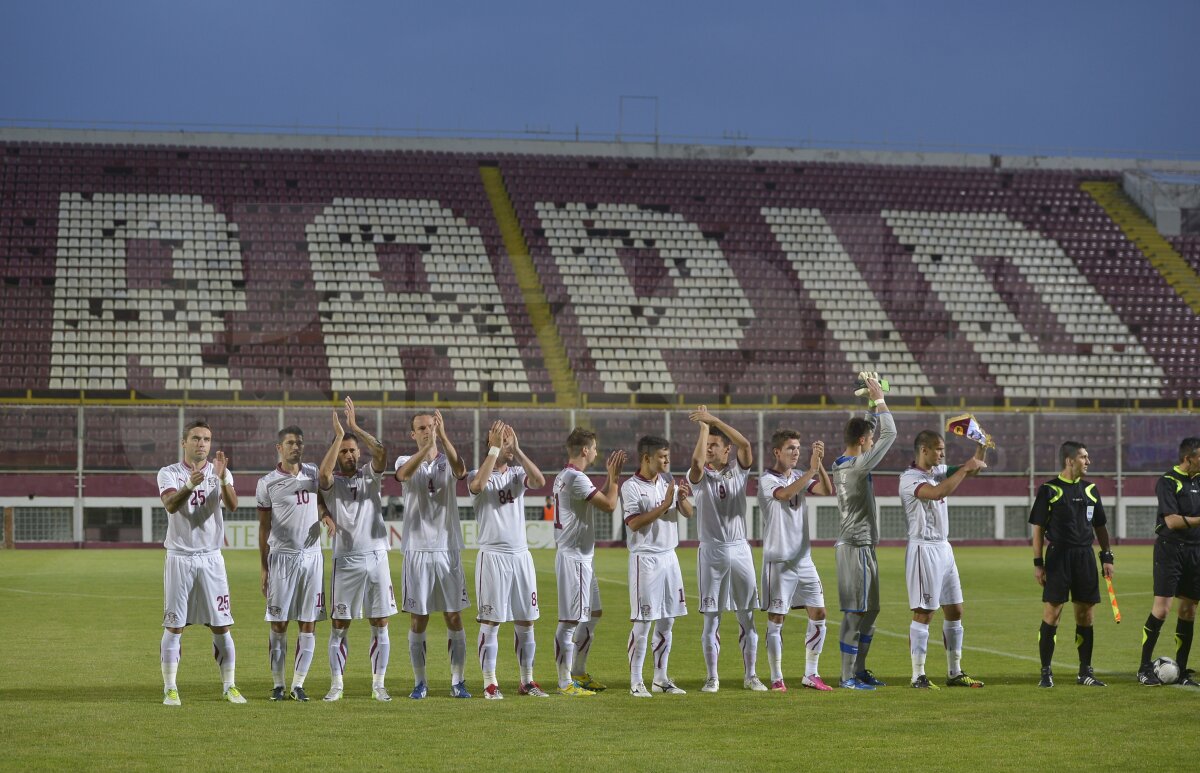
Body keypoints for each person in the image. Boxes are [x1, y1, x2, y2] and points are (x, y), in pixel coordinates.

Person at [156, 419, 245, 706]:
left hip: (211, 559)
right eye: (195, 438)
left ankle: (229, 686)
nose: (201, 444)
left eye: (206, 439)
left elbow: (233, 505)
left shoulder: (220, 471)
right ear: (184, 442)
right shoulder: (169, 473)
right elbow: (171, 505)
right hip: (180, 557)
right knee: (174, 626)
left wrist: (222, 479)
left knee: (221, 625)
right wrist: (189, 485)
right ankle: (170, 688)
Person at [318, 397, 395, 702]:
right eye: (344, 451)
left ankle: (379, 685)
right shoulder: (331, 483)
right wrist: (338, 436)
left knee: (380, 623)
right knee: (339, 625)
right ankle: (337, 685)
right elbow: (322, 476)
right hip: (346, 560)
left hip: (376, 557)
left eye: (352, 450)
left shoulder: (370, 476)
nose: (349, 455)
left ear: (359, 453)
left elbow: (382, 452)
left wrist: (354, 428)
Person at [898, 430, 987, 689]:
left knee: (955, 610)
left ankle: (954, 672)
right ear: (923, 450)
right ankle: (918, 675)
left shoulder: (938, 470)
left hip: (944, 548)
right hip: (923, 548)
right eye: (938, 449)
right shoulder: (909, 478)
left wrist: (981, 445)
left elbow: (973, 470)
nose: (942, 454)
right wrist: (965, 468)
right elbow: (937, 493)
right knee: (924, 612)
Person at [686, 406, 765, 693]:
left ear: (726, 450)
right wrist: (704, 428)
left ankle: (751, 675)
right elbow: (696, 463)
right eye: (706, 445)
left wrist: (715, 420)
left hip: (740, 549)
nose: (708, 449)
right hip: (712, 551)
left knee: (747, 616)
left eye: (714, 445)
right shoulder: (698, 476)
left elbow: (746, 445)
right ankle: (712, 677)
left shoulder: (738, 471)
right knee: (712, 618)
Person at [393, 409, 471, 699]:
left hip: (447, 549)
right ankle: (420, 682)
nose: (427, 431)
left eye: (431, 426)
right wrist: (425, 450)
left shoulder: (447, 460)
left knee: (454, 617)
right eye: (422, 428)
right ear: (413, 434)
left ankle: (457, 681)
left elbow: (461, 471)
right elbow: (402, 475)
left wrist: (444, 438)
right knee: (419, 619)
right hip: (417, 550)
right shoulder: (405, 460)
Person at [469, 420, 548, 699]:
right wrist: (495, 449)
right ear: (491, 444)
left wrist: (518, 449)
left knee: (526, 621)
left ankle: (527, 681)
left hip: (521, 556)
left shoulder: (517, 473)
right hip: (493, 556)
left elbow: (539, 481)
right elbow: (478, 485)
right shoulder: (478, 473)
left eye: (510, 440)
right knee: (491, 621)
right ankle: (490, 682)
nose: (509, 445)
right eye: (505, 441)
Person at [1030, 441, 1113, 688]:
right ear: (1070, 460)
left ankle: (1085, 672)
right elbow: (1038, 529)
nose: (1088, 461)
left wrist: (1107, 556)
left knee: (1086, 614)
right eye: (1084, 457)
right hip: (1058, 556)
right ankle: (1046, 672)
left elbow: (1100, 526)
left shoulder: (1091, 490)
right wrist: (1038, 563)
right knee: (1052, 613)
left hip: (1085, 556)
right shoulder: (1049, 490)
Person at [831, 378, 896, 690]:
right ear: (861, 442)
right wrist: (881, 400)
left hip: (864, 545)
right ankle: (846, 676)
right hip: (854, 546)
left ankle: (859, 670)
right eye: (869, 440)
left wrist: (870, 407)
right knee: (855, 613)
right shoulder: (857, 466)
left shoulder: (841, 463)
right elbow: (890, 434)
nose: (873, 442)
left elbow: (867, 431)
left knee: (871, 611)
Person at [757, 429, 834, 692]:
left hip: (803, 559)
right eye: (791, 448)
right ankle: (776, 677)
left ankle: (811, 674)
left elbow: (826, 490)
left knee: (819, 612)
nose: (796, 452)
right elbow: (784, 495)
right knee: (777, 618)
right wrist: (811, 470)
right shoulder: (767, 480)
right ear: (777, 452)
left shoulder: (800, 474)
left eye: (799, 448)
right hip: (779, 560)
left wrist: (818, 465)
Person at [551, 428, 625, 696]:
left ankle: (579, 672)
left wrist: (609, 479)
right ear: (585, 450)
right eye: (593, 448)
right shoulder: (576, 478)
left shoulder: (566, 475)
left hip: (582, 557)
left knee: (593, 613)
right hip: (574, 558)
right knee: (570, 621)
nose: (596, 452)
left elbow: (597, 499)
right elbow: (610, 505)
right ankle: (565, 682)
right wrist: (615, 478)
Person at [257, 424, 326, 701]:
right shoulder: (267, 482)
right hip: (282, 558)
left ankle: (298, 685)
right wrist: (264, 566)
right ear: (279, 448)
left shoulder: (313, 473)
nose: (295, 447)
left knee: (308, 622)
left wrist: (326, 515)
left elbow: (322, 501)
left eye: (299, 443)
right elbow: (264, 526)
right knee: (279, 623)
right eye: (290, 443)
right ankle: (278, 684)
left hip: (312, 557)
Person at [622, 435, 693, 697]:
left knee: (667, 621)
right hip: (645, 559)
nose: (666, 461)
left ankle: (660, 679)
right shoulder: (630, 487)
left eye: (667, 456)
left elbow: (688, 513)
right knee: (643, 622)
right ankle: (636, 681)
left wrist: (681, 498)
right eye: (662, 457)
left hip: (669, 558)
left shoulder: (667, 482)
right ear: (646, 458)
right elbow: (634, 523)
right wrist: (664, 505)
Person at [1137, 436, 1200, 687]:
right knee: (1162, 609)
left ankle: (1182, 670)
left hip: (1196, 551)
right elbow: (1172, 522)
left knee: (1189, 609)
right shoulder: (1168, 481)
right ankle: (1144, 667)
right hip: (1170, 550)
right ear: (1188, 458)